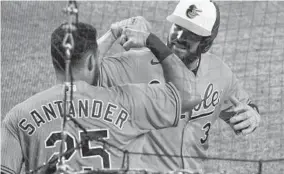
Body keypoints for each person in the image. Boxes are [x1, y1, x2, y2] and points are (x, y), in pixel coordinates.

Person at [0, 22, 201, 174]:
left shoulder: (18, 117)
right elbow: (189, 94)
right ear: (90, 61)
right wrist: (151, 40)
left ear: (54, 60)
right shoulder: (127, 102)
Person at [95, 0, 261, 173]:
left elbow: (243, 109)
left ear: (206, 43)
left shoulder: (219, 72)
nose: (180, 36)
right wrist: (112, 33)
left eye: (191, 33)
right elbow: (80, 75)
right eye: (177, 26)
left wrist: (253, 115)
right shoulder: (136, 64)